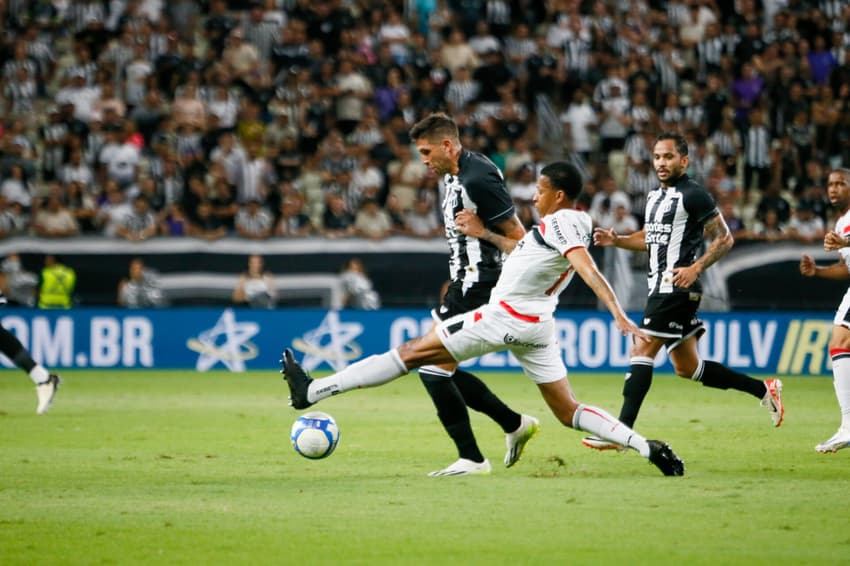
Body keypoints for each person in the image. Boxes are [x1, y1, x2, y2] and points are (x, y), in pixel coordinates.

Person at [281, 161, 685, 477]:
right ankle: (648, 448)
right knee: (569, 411)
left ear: (559, 194)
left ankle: (313, 392)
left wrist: (618, 314)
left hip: (504, 316)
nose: (534, 197)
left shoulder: (562, 221)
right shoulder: (566, 224)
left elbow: (587, 269)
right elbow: (525, 251)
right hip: (538, 325)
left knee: (411, 354)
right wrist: (485, 233)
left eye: (541, 191)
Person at [583, 132, 785, 451]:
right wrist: (618, 240)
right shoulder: (653, 197)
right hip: (662, 287)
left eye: (669, 157)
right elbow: (650, 238)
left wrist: (696, 268)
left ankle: (621, 434)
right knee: (687, 368)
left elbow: (725, 238)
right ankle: (764, 390)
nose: (662, 163)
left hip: (675, 286)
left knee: (641, 350)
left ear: (684, 161)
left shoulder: (694, 195)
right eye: (657, 157)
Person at [401, 112, 538, 476]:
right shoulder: (457, 175)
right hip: (464, 285)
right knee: (437, 368)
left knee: (431, 368)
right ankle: (513, 423)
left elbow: (524, 245)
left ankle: (473, 459)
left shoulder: (478, 177)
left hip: (481, 286)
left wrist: (484, 234)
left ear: (448, 145)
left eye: (427, 152)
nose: (424, 161)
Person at [799, 168, 850, 453]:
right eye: (830, 184)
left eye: (841, 184)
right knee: (840, 342)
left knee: (839, 341)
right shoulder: (842, 222)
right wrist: (817, 271)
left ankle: (848, 426)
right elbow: (846, 267)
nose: (834, 189)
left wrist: (846, 243)